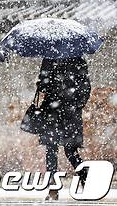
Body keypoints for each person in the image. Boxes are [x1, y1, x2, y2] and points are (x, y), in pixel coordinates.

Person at [35, 57, 91, 201]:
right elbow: (85, 88)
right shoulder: (77, 60)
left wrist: (42, 84)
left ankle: (54, 188)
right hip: (64, 113)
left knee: (56, 151)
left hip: (58, 112)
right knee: (65, 151)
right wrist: (76, 104)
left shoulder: (49, 59)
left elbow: (44, 86)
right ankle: (83, 180)